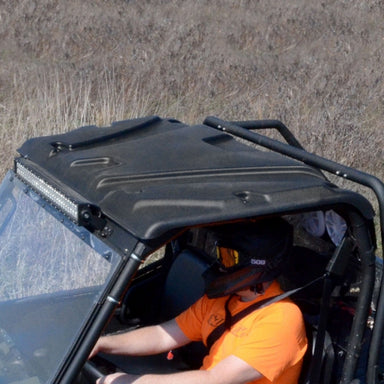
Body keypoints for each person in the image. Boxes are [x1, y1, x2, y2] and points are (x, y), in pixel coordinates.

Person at [89, 218, 308, 384]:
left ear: (258, 266)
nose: (221, 264)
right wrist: (102, 343)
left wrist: (132, 382)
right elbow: (163, 335)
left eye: (229, 257)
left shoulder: (282, 320)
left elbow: (214, 379)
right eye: (219, 254)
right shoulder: (222, 301)